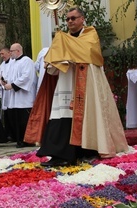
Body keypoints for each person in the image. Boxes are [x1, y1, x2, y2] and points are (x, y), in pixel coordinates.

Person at [25, 7, 128, 166]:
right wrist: (58, 51)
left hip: (85, 84)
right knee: (61, 117)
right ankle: (60, 155)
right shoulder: (62, 38)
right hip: (65, 82)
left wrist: (65, 46)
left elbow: (87, 54)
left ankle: (88, 151)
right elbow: (52, 67)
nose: (70, 22)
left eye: (73, 18)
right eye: (67, 19)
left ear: (82, 19)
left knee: (87, 117)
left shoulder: (90, 35)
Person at [0, 43, 36, 148]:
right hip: (15, 98)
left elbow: (26, 77)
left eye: (11, 51)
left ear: (18, 51)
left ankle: (28, 140)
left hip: (24, 98)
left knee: (24, 120)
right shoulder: (13, 62)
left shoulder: (27, 61)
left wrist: (13, 85)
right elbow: (10, 76)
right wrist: (5, 82)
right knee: (17, 120)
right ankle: (19, 140)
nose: (10, 53)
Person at [0, 47, 15, 142]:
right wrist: (1, 82)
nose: (2, 56)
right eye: (0, 54)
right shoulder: (1, 65)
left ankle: (14, 134)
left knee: (12, 113)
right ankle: (8, 134)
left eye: (3, 53)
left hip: (11, 91)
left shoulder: (14, 63)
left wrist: (7, 82)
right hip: (5, 92)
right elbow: (0, 77)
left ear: (9, 53)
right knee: (7, 114)